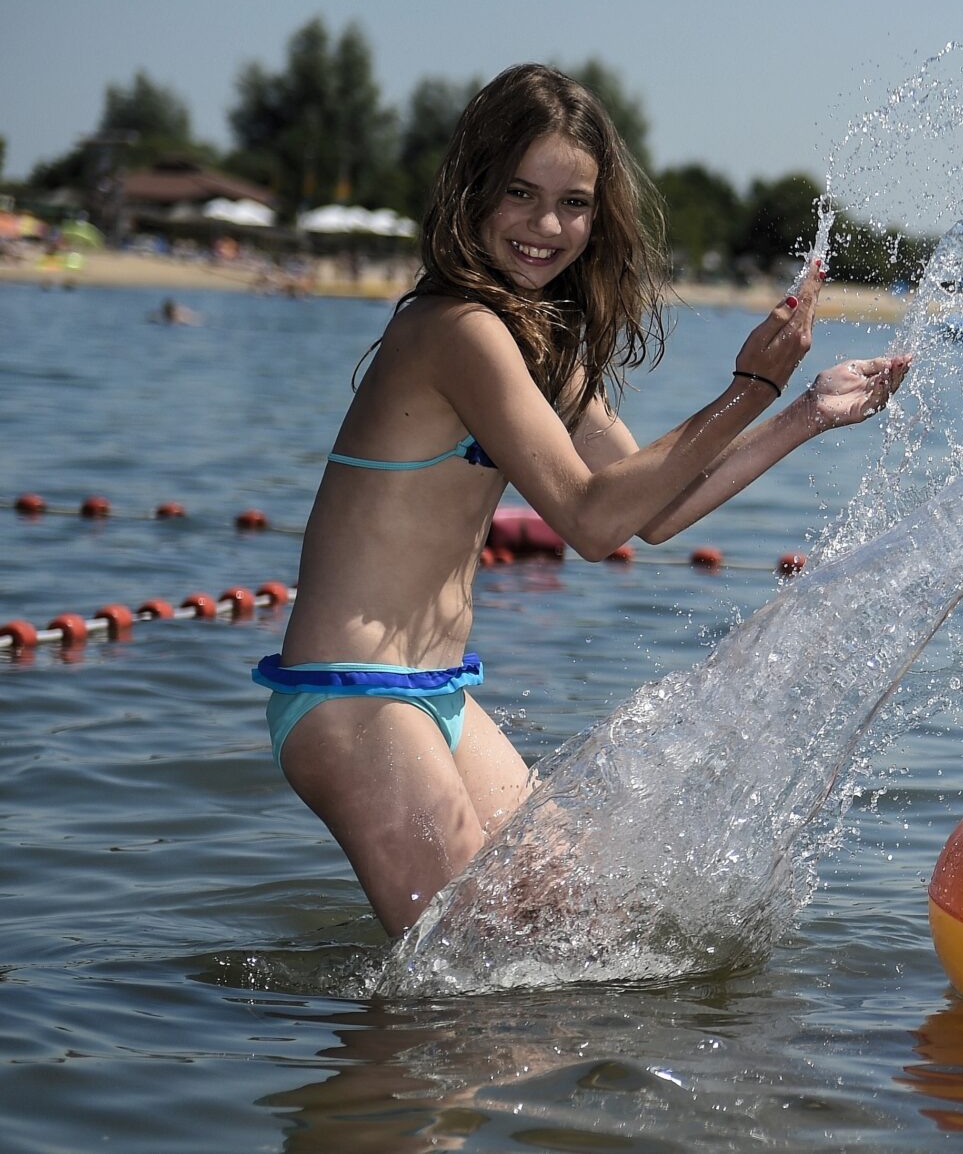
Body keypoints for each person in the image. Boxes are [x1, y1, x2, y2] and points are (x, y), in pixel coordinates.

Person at [256, 64, 912, 936]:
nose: (547, 225)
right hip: (354, 696)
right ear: (472, 192)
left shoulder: (534, 342)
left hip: (437, 694)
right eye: (521, 194)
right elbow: (591, 522)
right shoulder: (458, 330)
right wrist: (749, 386)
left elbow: (655, 510)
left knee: (570, 920)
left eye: (574, 203)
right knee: (469, 988)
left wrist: (801, 414)